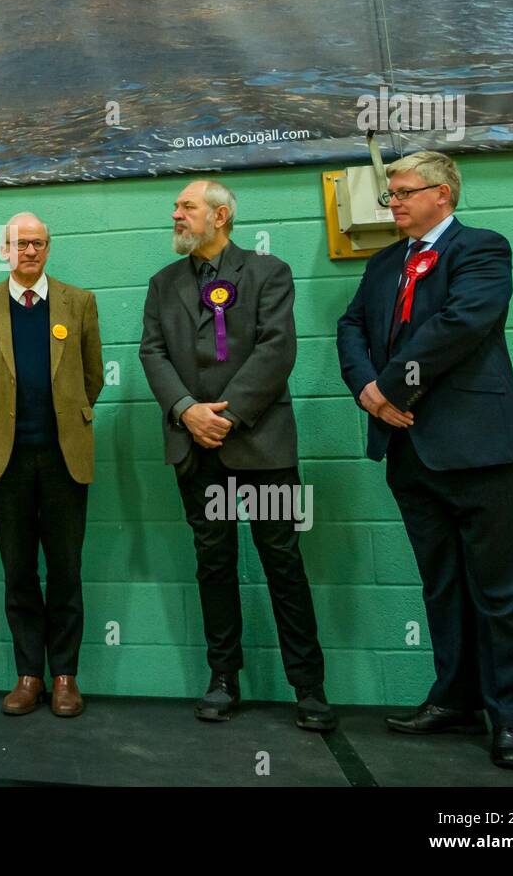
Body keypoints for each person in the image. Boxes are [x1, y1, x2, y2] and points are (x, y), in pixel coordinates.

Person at [337, 151, 513, 769]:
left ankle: (509, 719)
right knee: (442, 586)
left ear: (443, 195)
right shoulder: (382, 265)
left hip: (474, 447)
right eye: (389, 193)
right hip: (407, 452)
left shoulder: (481, 249)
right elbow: (349, 327)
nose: (392, 202)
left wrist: (391, 387)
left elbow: (462, 323)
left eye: (403, 192)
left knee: (498, 591)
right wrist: (367, 393)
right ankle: (455, 698)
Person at [139, 180, 335, 731]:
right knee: (214, 565)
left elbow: (278, 349)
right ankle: (223, 678)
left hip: (263, 449)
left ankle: (309, 688)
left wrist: (223, 416)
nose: (175, 214)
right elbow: (151, 352)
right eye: (176, 207)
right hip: (193, 450)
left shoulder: (269, 272)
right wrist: (186, 410)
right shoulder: (163, 283)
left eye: (187, 207)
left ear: (220, 216)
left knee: (283, 564)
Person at [0, 212, 103, 717]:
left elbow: (92, 379)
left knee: (65, 570)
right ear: (5, 249)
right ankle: (29, 675)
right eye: (21, 243)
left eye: (38, 243)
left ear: (48, 248)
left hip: (66, 459)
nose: (29, 251)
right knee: (19, 571)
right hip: (7, 461)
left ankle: (65, 675)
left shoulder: (79, 303)